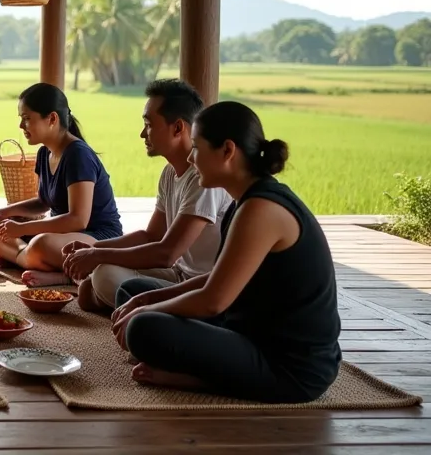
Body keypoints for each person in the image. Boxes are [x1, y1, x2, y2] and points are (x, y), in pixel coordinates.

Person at [111, 101, 340, 403]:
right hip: (246, 327)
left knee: (144, 326)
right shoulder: (244, 201)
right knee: (133, 289)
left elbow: (212, 301)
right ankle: (193, 361)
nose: (191, 158)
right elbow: (215, 279)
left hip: (290, 368)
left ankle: (198, 380)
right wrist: (148, 299)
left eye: (196, 147)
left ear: (227, 150)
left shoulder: (261, 209)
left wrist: (148, 310)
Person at [62, 80, 232, 311]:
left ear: (178, 128)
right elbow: (151, 235)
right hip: (177, 273)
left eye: (149, 124)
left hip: (200, 284)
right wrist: (93, 250)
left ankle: (148, 309)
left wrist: (97, 254)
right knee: (95, 283)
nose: (143, 133)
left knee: (102, 278)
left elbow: (167, 253)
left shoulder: (204, 178)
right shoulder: (170, 173)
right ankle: (132, 305)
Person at [0, 83, 122, 287]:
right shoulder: (44, 153)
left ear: (52, 119)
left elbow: (78, 220)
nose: (21, 126)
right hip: (61, 236)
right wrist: (3, 213)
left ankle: (50, 269)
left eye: (27, 118)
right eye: (21, 119)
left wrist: (21, 229)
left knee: (41, 244)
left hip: (96, 237)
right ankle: (28, 259)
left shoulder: (77, 155)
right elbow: (43, 202)